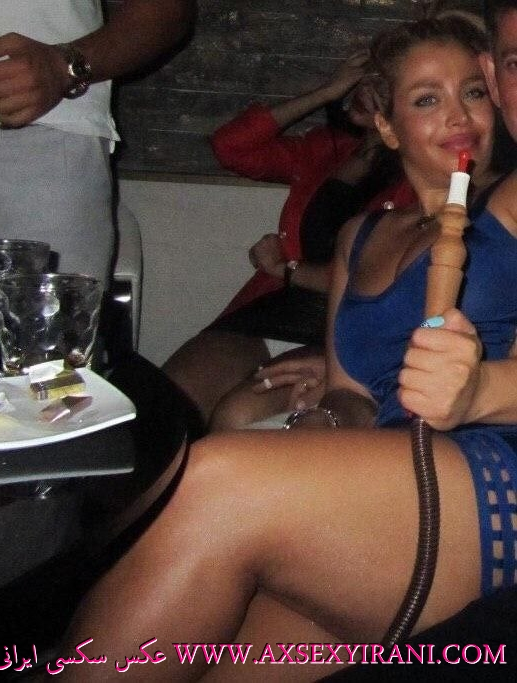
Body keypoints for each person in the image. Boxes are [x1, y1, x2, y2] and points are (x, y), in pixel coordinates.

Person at [61, 12, 517, 682]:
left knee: (216, 477)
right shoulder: (362, 236)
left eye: (472, 92)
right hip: (380, 490)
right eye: (427, 99)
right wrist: (324, 420)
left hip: (487, 485)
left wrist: (476, 387)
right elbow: (352, 392)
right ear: (386, 126)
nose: (458, 115)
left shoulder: (507, 205)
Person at [163, 58, 415, 428]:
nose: (364, 89)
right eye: (364, 77)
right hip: (275, 308)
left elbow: (378, 277)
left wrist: (288, 270)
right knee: (167, 402)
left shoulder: (421, 178)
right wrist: (326, 92)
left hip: (343, 326)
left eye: (381, 82)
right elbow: (230, 147)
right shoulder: (329, 149)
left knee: (236, 416)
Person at [0, 0, 196, 285]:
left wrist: (62, 66)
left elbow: (165, 9)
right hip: (34, 146)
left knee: (39, 313)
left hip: (34, 143)